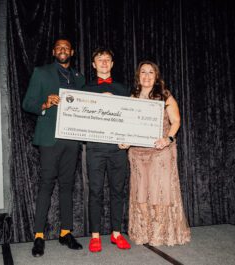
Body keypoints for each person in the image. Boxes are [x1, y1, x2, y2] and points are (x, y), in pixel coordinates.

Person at [22, 38, 85, 257]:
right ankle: (38, 236)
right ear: (53, 51)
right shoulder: (41, 72)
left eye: (66, 47)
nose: (62, 50)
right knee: (46, 185)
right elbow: (27, 103)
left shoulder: (79, 78)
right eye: (59, 47)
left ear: (72, 51)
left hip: (72, 139)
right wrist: (45, 104)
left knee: (67, 185)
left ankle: (65, 232)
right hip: (49, 138)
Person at [127, 60, 191, 246]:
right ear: (138, 77)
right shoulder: (131, 98)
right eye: (143, 72)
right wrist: (124, 140)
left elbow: (176, 121)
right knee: (141, 193)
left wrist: (168, 139)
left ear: (156, 77)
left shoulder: (165, 96)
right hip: (137, 153)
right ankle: (144, 230)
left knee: (158, 193)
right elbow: (126, 125)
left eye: (150, 73)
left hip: (160, 151)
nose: (147, 76)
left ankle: (159, 231)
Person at [82, 48, 131, 252]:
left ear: (112, 64)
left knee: (118, 191)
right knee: (95, 191)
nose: (103, 62)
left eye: (107, 60)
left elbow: (130, 117)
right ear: (93, 65)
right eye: (99, 59)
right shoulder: (84, 89)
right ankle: (95, 236)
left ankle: (116, 233)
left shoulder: (123, 88)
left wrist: (128, 138)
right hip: (94, 148)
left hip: (118, 149)